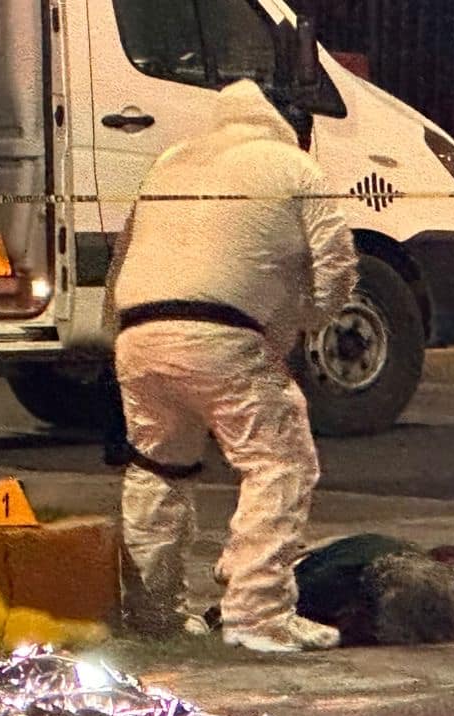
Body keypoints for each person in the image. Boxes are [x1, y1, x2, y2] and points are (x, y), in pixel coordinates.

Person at [110, 80, 358, 653]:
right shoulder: (294, 166)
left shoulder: (171, 161)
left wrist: (119, 340)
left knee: (159, 469)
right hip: (223, 334)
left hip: (138, 334)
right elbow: (337, 263)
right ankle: (257, 613)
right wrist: (308, 319)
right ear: (292, 125)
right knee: (279, 464)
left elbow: (123, 254)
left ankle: (155, 614)